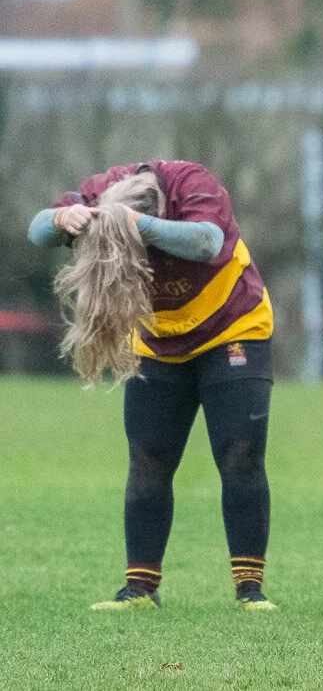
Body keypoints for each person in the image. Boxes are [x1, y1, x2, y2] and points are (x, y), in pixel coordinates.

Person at [30, 161, 276, 611]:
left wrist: (137, 226)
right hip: (157, 339)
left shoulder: (192, 185)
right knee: (148, 459)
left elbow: (207, 241)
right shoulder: (101, 192)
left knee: (240, 455)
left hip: (232, 329)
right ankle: (140, 590)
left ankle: (250, 590)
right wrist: (62, 218)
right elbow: (36, 231)